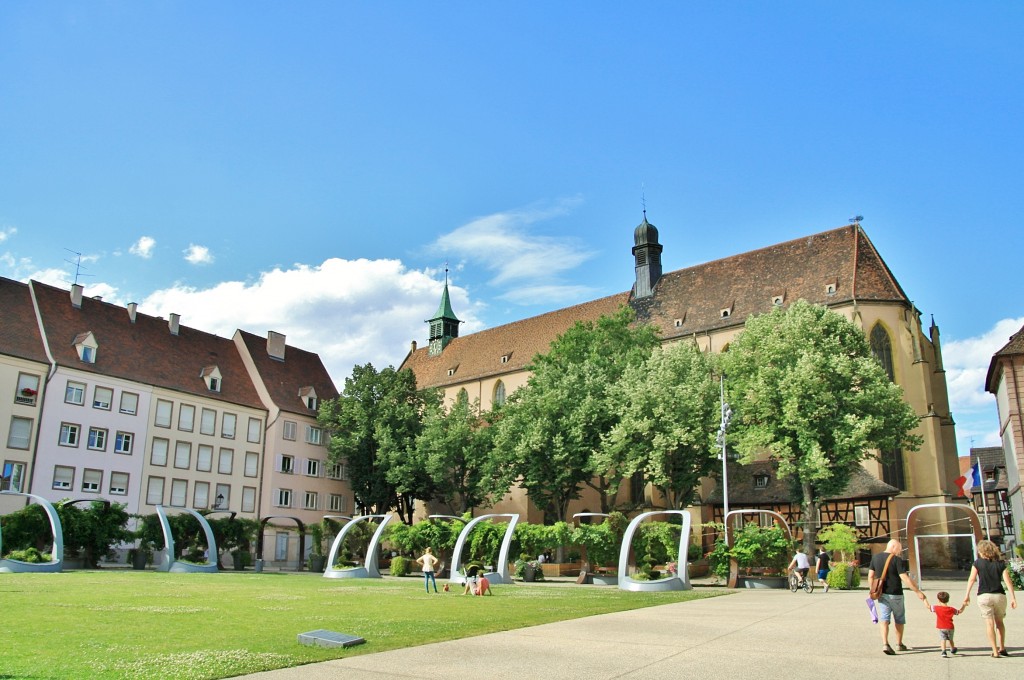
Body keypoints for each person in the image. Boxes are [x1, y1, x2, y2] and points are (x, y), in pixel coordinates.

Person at [868, 539, 928, 655]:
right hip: (896, 594)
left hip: (882, 594)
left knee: (884, 619)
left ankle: (885, 643)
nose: (900, 551)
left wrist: (873, 589)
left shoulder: (875, 558)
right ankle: (899, 644)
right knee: (899, 619)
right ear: (893, 547)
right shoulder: (896, 560)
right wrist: (917, 591)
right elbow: (905, 578)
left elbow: (871, 576)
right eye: (899, 549)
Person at [961, 539, 1018, 658]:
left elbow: (971, 579)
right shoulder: (1001, 563)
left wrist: (966, 595)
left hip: (984, 596)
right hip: (999, 596)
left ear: (981, 551)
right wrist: (1013, 597)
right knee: (1000, 622)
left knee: (989, 624)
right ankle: (1002, 647)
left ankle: (995, 651)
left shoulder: (977, 563)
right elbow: (1008, 582)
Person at [927, 591, 963, 657]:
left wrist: (924, 599)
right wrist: (964, 605)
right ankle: (952, 648)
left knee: (943, 639)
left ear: (938, 600)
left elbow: (928, 606)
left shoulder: (937, 608)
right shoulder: (951, 609)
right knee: (951, 639)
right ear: (948, 599)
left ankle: (943, 651)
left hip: (941, 627)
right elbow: (959, 612)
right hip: (950, 627)